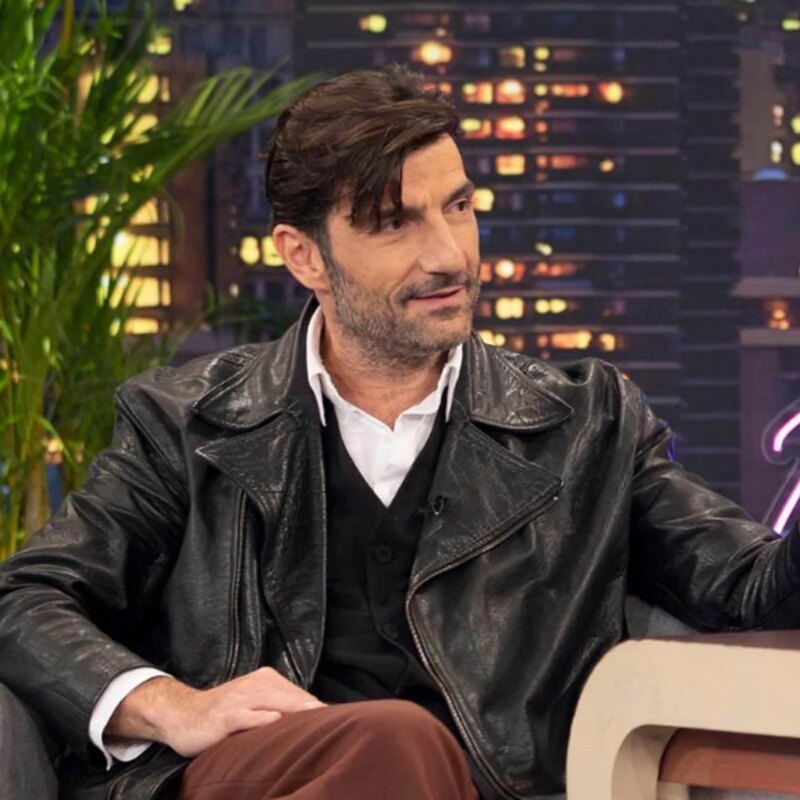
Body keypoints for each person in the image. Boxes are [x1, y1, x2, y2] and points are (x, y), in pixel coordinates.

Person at [1, 64, 799, 800]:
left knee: (404, 744)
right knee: (393, 738)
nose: (448, 255)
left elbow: (752, 590)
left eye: (459, 207)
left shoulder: (590, 424)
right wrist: (174, 706)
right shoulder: (186, 425)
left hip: (484, 787)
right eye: (393, 223)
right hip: (259, 780)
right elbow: (25, 600)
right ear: (304, 257)